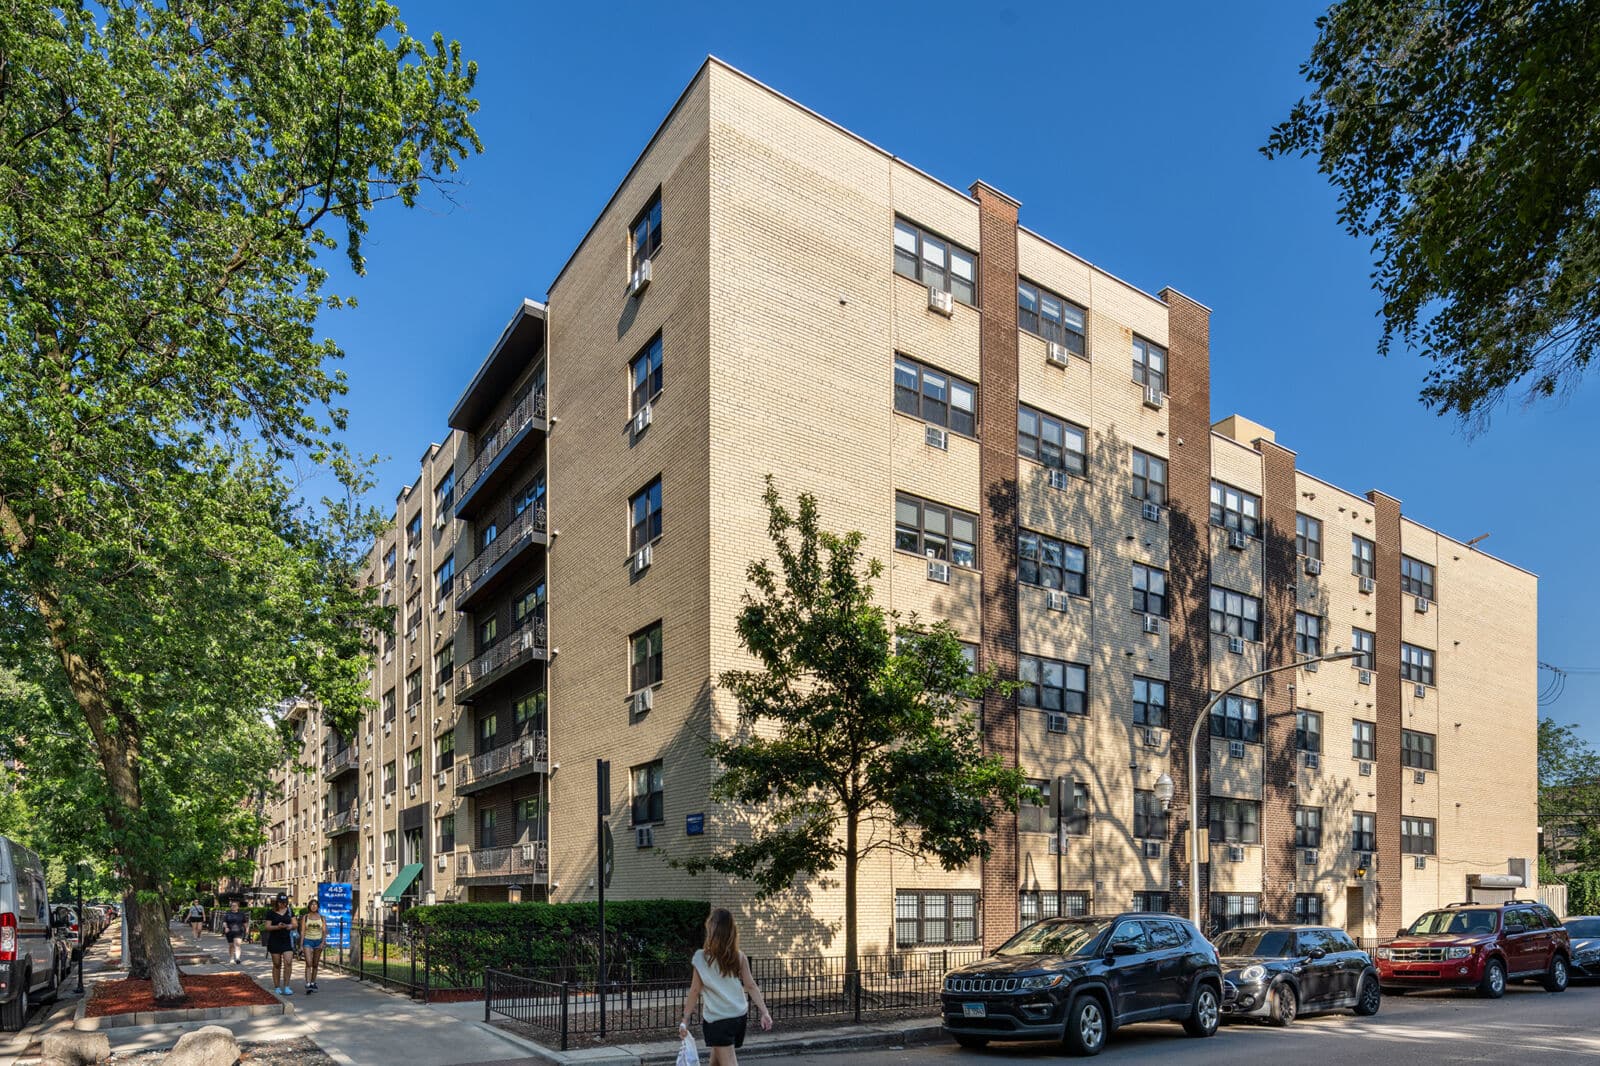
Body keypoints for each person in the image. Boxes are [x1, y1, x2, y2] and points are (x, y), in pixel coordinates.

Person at [677, 909, 772, 1065]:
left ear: (711, 930)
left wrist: (685, 1019)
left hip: (718, 1020)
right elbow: (751, 986)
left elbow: (694, 991)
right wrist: (765, 1012)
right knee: (716, 1061)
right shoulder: (738, 956)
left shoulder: (701, 958)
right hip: (738, 1017)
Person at [264, 893, 296, 996]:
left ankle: (287, 986)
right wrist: (277, 927)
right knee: (277, 964)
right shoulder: (271, 912)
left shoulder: (290, 911)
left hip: (286, 940)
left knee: (288, 962)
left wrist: (289, 926)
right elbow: (267, 927)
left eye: (284, 902)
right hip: (275, 940)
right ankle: (277, 986)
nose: (283, 904)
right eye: (281, 902)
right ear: (277, 902)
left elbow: (295, 924)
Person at [299, 897, 327, 993]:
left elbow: (324, 931)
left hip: (318, 941)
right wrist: (301, 945)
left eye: (315, 904)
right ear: (309, 906)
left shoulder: (322, 918)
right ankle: (307, 983)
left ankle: (313, 982)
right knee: (308, 962)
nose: (314, 906)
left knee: (315, 964)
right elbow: (302, 931)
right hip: (308, 941)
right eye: (312, 904)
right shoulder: (305, 917)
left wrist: (322, 943)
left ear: (318, 906)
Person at [220, 899, 250, 965]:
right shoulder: (228, 913)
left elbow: (245, 922)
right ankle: (231, 958)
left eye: (235, 906)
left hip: (239, 931)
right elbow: (224, 922)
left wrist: (247, 929)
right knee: (231, 945)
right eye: (232, 906)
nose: (233, 907)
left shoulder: (241, 914)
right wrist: (226, 927)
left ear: (238, 907)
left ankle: (238, 958)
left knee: (238, 944)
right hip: (230, 931)